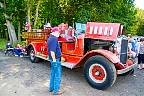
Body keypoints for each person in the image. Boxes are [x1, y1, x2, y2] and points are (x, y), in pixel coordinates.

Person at [47, 27, 63, 95]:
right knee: (57, 75)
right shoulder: (54, 39)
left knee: (53, 74)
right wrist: (54, 60)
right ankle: (56, 91)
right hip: (55, 59)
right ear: (55, 32)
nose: (59, 33)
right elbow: (52, 51)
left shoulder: (50, 38)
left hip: (53, 59)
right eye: (58, 32)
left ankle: (51, 88)